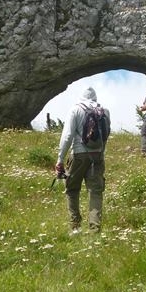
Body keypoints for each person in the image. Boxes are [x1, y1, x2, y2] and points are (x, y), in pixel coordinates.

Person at [55, 87, 110, 235]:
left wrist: (60, 159)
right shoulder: (104, 111)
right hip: (97, 156)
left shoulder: (76, 109)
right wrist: (101, 154)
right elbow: (105, 135)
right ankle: (95, 229)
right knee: (95, 192)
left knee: (72, 189)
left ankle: (75, 226)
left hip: (79, 155)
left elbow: (67, 136)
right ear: (95, 97)